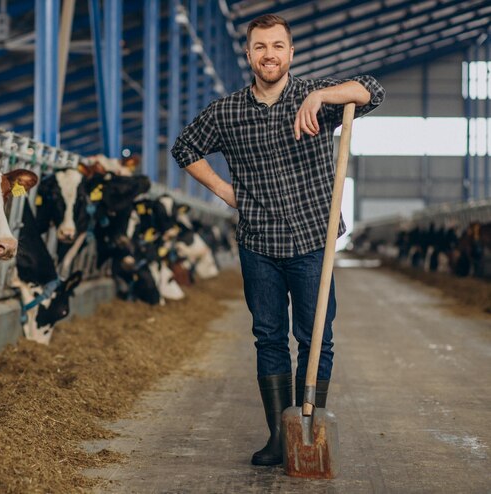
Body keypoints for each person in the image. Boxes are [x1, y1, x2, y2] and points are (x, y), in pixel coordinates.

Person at [171, 13, 385, 466]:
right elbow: (184, 148)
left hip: (312, 240)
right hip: (258, 242)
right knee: (269, 338)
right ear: (248, 54)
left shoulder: (316, 98)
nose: (269, 54)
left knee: (315, 340)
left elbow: (371, 89)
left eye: (277, 46)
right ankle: (277, 437)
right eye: (260, 47)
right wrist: (227, 193)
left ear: (291, 52)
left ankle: (308, 430)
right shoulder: (227, 111)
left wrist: (323, 96)